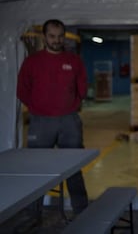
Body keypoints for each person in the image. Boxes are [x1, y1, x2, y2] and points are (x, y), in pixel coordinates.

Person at [17, 19, 89, 217]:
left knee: (74, 169)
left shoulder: (74, 61)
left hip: (69, 122)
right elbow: (22, 90)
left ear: (64, 37)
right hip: (41, 123)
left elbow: (83, 88)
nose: (56, 41)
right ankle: (33, 214)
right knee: (38, 169)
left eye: (60, 37)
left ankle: (81, 212)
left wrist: (72, 103)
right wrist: (37, 107)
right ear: (44, 37)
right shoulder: (32, 62)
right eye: (52, 36)